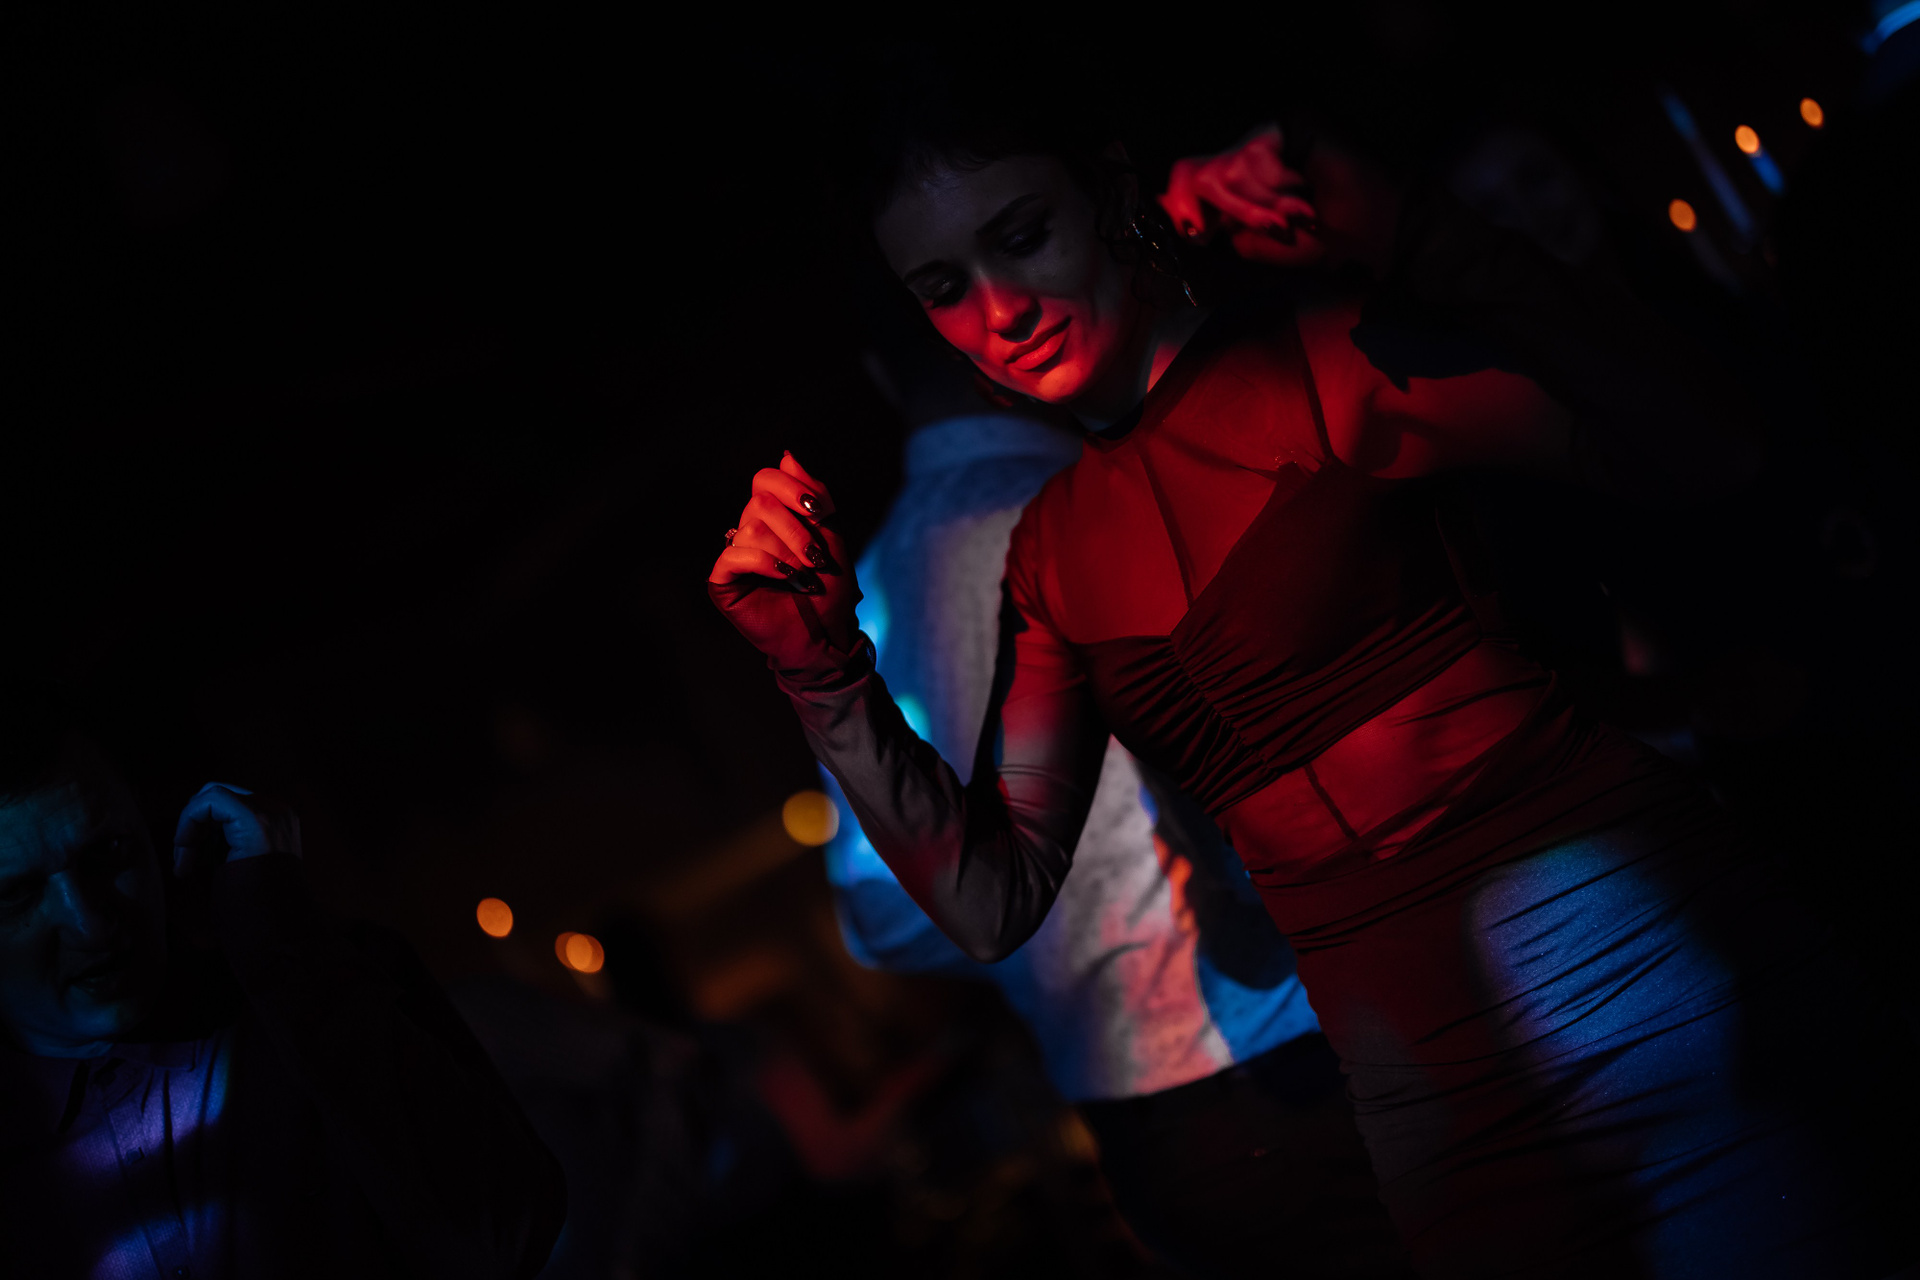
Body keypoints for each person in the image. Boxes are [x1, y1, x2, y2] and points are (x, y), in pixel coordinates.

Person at [707, 65, 1916, 1280]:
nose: (1001, 309)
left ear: (1110, 191)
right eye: (943, 288)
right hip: (1430, 1103)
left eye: (1021, 235)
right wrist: (823, 674)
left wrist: (1416, 229)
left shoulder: (1323, 360)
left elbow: (1705, 447)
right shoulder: (1051, 555)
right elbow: (991, 898)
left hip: (1639, 985)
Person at [819, 308, 1410, 1277]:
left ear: (883, 377)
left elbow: (882, 917)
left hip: (1138, 1122)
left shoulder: (863, 605)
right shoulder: (1105, 501)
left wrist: (1052, 932)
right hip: (1305, 1041)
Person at [0, 682, 566, 1280]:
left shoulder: (328, 978)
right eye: (17, 894)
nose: (90, 923)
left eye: (109, 852)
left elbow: (509, 1233)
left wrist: (288, 946)